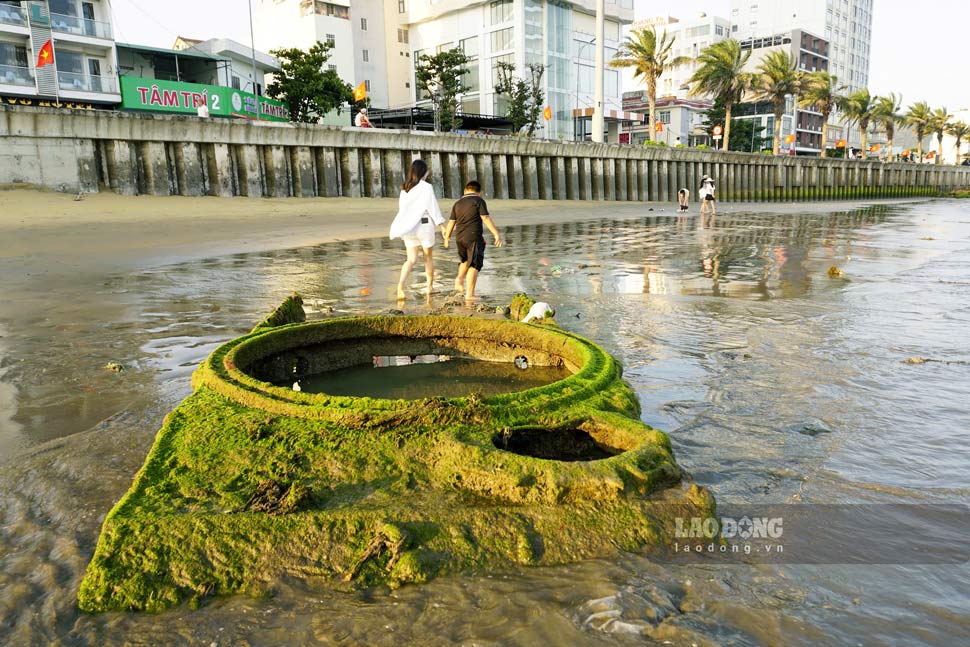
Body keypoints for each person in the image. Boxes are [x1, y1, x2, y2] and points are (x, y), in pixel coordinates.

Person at [389, 159, 446, 299]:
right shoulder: (426, 187)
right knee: (428, 258)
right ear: (423, 172)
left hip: (409, 228)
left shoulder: (405, 189)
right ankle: (429, 287)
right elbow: (432, 206)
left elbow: (403, 210)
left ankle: (401, 286)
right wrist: (442, 225)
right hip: (424, 226)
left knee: (411, 259)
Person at [443, 180, 503, 302]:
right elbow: (485, 218)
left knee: (465, 260)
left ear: (465, 191)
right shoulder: (478, 201)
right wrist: (496, 234)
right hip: (473, 237)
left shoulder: (457, 203)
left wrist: (447, 237)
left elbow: (451, 222)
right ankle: (470, 294)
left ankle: (459, 279)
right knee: (474, 264)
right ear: (479, 193)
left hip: (459, 237)